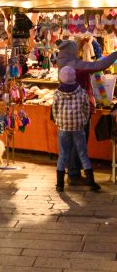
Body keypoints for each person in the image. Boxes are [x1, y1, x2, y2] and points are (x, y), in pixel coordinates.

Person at [55, 35, 117, 184]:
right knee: (79, 143)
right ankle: (74, 174)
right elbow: (98, 66)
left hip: (66, 114)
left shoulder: (64, 64)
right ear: (72, 51)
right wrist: (115, 54)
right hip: (80, 111)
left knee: (69, 145)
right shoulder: (73, 65)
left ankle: (70, 173)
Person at [52, 65, 101, 192]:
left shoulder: (57, 93)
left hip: (63, 128)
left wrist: (59, 122)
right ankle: (91, 182)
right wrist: (83, 121)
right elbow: (86, 109)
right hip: (78, 128)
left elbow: (54, 110)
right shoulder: (82, 92)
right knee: (83, 154)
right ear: (74, 77)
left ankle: (59, 184)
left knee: (63, 155)